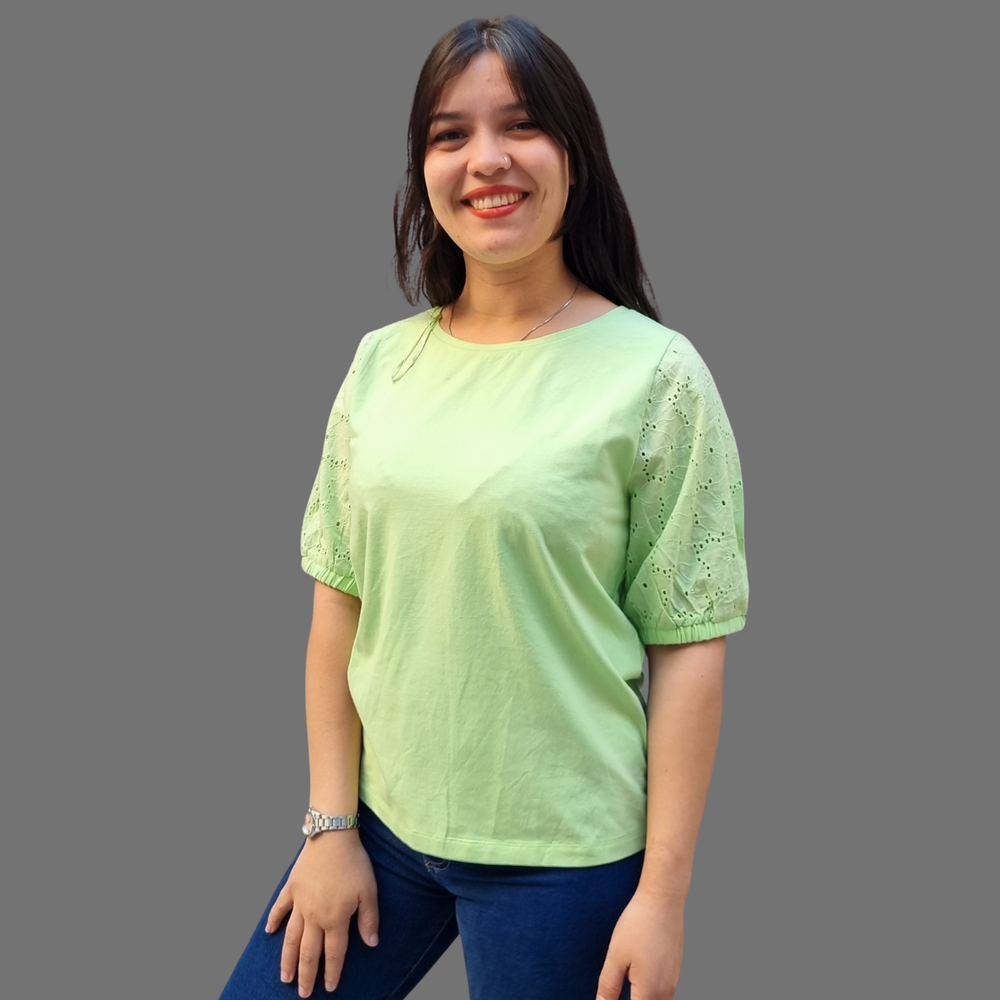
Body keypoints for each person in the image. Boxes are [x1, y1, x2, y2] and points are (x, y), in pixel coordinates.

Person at [218, 14, 749, 1000]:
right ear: (422, 170)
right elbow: (338, 608)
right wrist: (329, 827)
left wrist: (662, 896)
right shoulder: (381, 363)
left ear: (574, 157)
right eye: (450, 134)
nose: (486, 159)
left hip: (564, 857)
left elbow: (689, 649)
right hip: (381, 827)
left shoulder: (656, 376)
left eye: (521, 125)